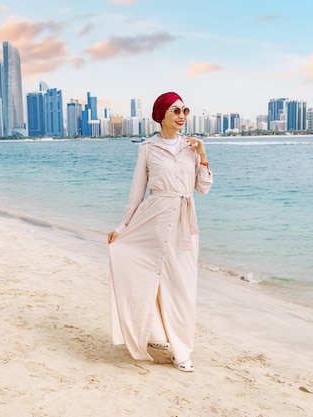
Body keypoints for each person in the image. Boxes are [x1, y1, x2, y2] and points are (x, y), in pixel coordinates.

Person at [107, 91, 213, 372]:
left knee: (182, 286)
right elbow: (136, 194)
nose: (181, 116)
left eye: (184, 110)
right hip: (152, 219)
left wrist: (203, 156)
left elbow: (203, 188)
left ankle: (181, 349)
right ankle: (159, 336)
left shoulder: (192, 148)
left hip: (184, 223)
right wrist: (122, 228)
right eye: (175, 111)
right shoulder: (147, 149)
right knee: (148, 279)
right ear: (161, 115)